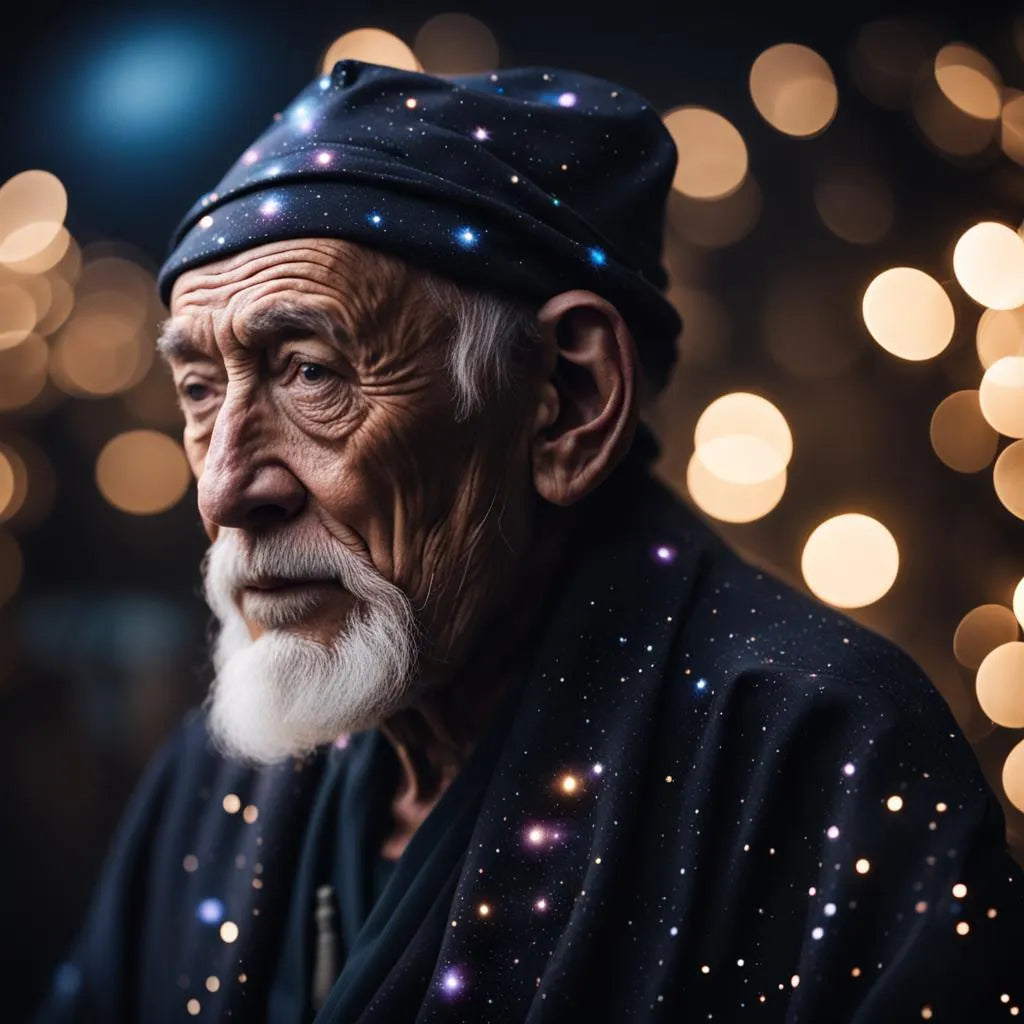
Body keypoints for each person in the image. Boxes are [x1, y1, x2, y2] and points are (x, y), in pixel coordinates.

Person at [36, 59, 1024, 1024]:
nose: (223, 489)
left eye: (308, 372)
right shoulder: (231, 766)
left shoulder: (815, 750)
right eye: (201, 392)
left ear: (567, 403)